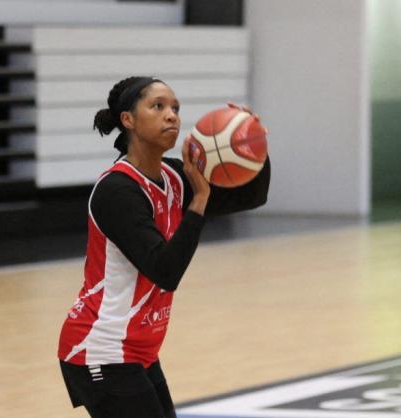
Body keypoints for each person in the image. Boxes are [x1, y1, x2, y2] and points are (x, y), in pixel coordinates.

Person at [58, 76, 270, 418]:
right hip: (100, 350)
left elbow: (251, 196)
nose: (171, 115)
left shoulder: (173, 177)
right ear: (128, 119)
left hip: (138, 350)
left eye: (175, 108)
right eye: (158, 106)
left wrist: (251, 144)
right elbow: (164, 270)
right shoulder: (118, 191)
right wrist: (199, 199)